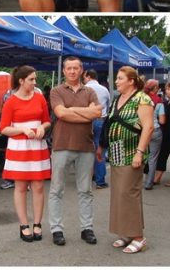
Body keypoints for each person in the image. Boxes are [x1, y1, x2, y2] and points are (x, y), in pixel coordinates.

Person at [48, 56, 103, 246]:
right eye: (68, 68)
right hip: (62, 145)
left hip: (85, 146)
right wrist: (84, 112)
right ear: (64, 71)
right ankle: (56, 229)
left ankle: (86, 228)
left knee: (85, 190)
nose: (72, 71)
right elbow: (61, 114)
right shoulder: (56, 91)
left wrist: (71, 111)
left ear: (82, 71)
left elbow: (96, 114)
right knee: (56, 190)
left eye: (75, 68)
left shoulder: (90, 91)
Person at [100, 66, 153, 254]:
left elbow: (148, 128)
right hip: (116, 154)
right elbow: (110, 123)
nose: (116, 81)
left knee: (129, 193)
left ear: (131, 80)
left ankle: (138, 236)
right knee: (118, 194)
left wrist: (139, 152)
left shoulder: (142, 99)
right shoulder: (117, 99)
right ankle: (126, 232)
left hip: (132, 154)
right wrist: (102, 146)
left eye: (120, 78)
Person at [0, 66, 51, 241]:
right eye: (31, 79)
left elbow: (47, 121)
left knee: (38, 186)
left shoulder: (40, 98)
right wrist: (22, 129)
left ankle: (37, 223)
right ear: (21, 81)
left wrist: (42, 128)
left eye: (35, 79)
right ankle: (23, 225)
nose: (35, 82)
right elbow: (4, 128)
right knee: (20, 187)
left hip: (37, 146)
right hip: (19, 148)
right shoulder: (11, 102)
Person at [84, 69, 111, 189]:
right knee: (100, 150)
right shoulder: (104, 89)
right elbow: (108, 105)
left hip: (86, 121)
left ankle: (86, 179)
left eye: (84, 77)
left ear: (88, 77)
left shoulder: (83, 89)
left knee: (86, 150)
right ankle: (100, 181)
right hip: (101, 120)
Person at [144, 90, 165, 190]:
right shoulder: (159, 101)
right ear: (155, 88)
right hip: (155, 130)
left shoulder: (139, 99)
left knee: (140, 155)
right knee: (152, 158)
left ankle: (136, 181)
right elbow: (162, 120)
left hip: (143, 131)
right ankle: (148, 183)